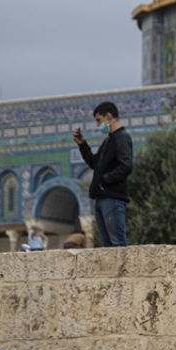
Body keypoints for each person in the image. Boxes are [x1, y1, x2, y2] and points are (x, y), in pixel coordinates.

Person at [73, 101, 133, 247]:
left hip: (112, 197)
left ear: (109, 116)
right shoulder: (109, 141)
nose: (98, 125)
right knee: (107, 245)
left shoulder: (121, 137)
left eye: (99, 120)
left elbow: (126, 166)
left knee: (117, 242)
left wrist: (103, 181)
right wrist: (83, 145)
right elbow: (96, 164)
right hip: (101, 197)